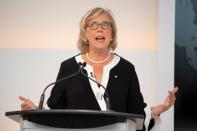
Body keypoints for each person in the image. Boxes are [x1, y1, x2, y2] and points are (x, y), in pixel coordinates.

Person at [19, 7, 178, 131]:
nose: (100, 29)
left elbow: (137, 113)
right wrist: (35, 110)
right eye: (93, 25)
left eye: (106, 25)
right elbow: (55, 110)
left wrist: (163, 107)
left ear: (112, 33)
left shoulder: (126, 69)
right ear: (85, 33)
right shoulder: (69, 67)